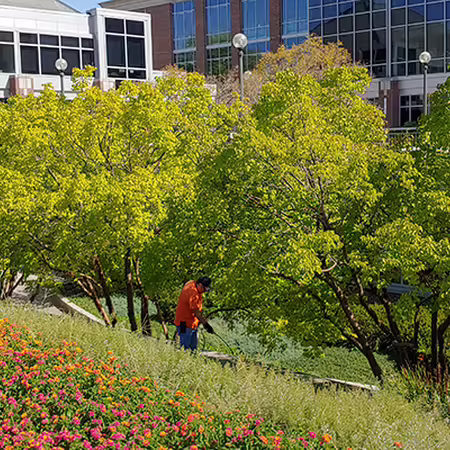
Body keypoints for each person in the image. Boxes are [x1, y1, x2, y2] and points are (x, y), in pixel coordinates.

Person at [174, 276, 214, 351]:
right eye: (205, 289)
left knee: (193, 349)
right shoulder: (193, 294)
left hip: (191, 323)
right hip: (184, 323)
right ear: (200, 285)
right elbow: (196, 312)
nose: (204, 292)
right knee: (185, 348)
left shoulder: (191, 283)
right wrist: (206, 325)